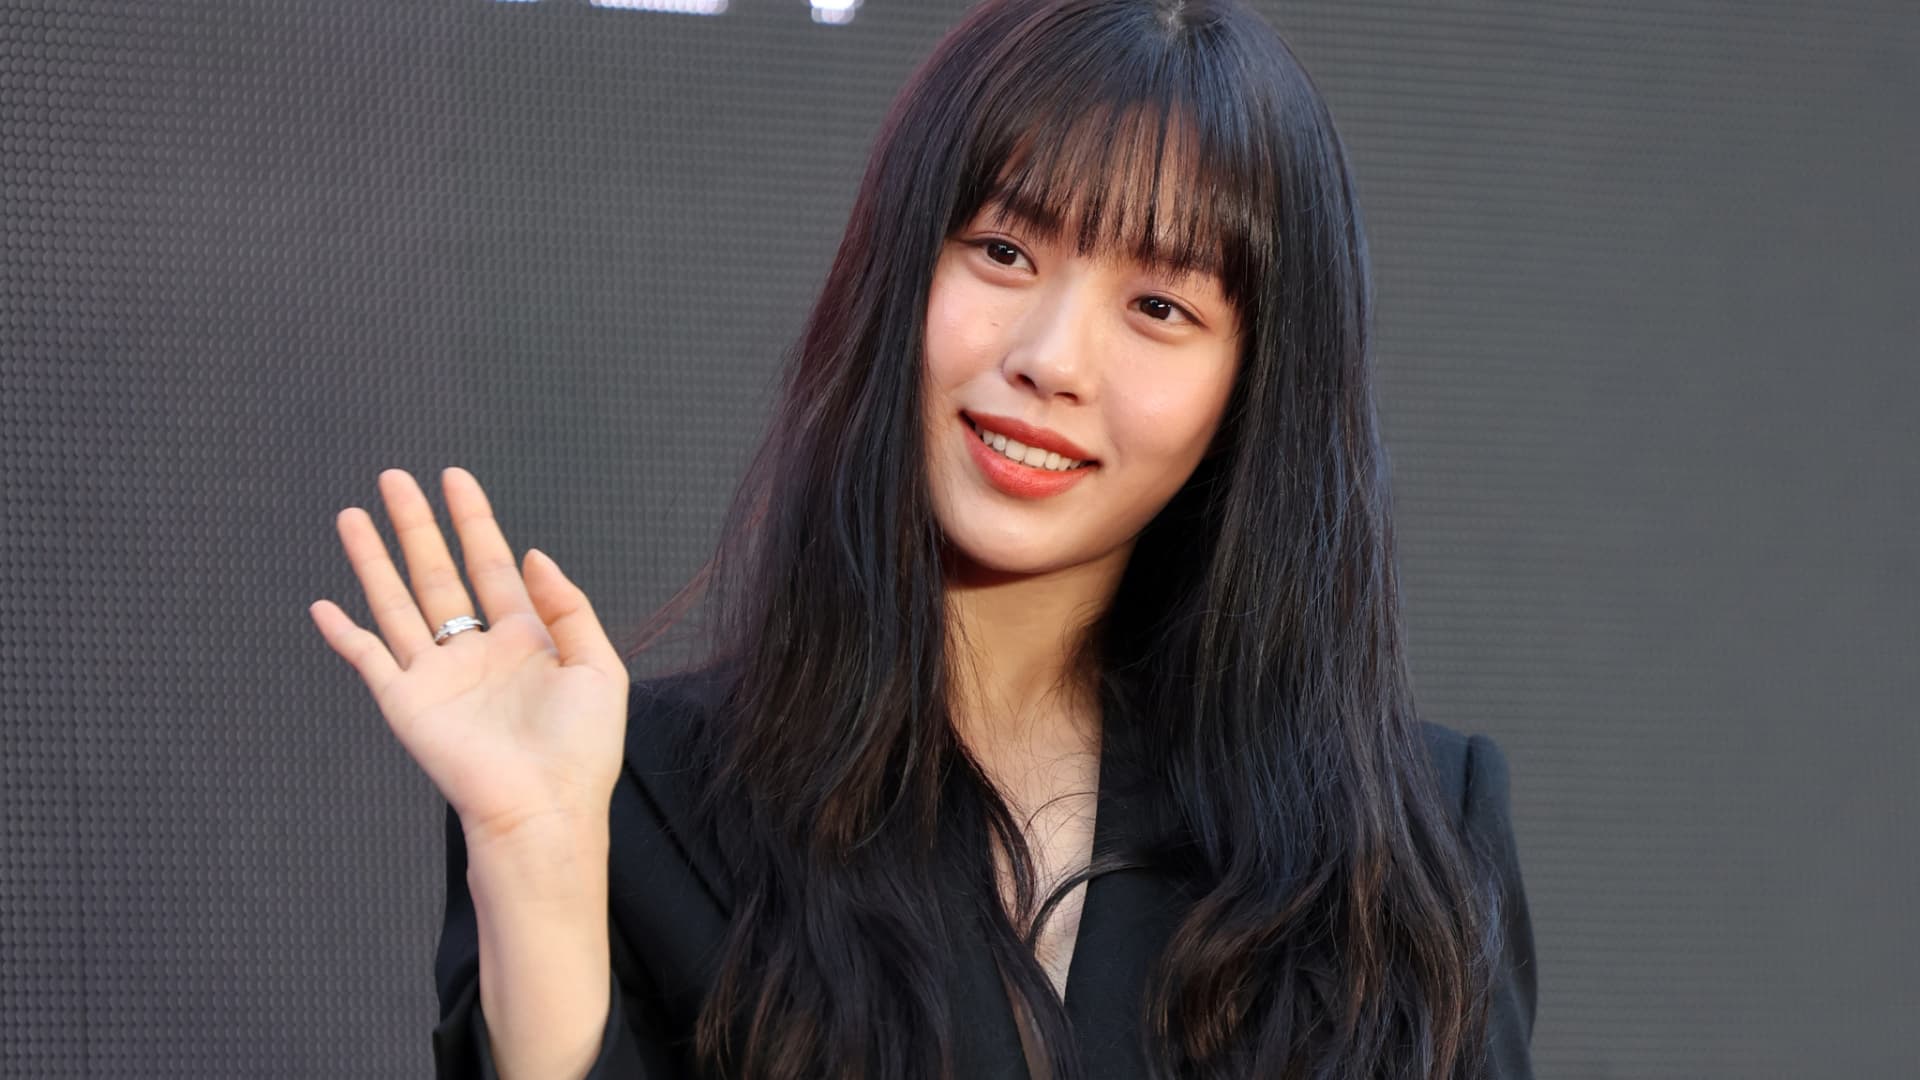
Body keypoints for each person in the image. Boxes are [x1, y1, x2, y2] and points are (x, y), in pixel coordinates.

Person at [310, 0, 1538, 1075]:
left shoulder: (1412, 836)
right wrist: (536, 866)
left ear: (1256, 383)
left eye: (1160, 305)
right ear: (899, 269)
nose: (1050, 359)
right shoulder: (632, 798)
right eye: (1003, 251)